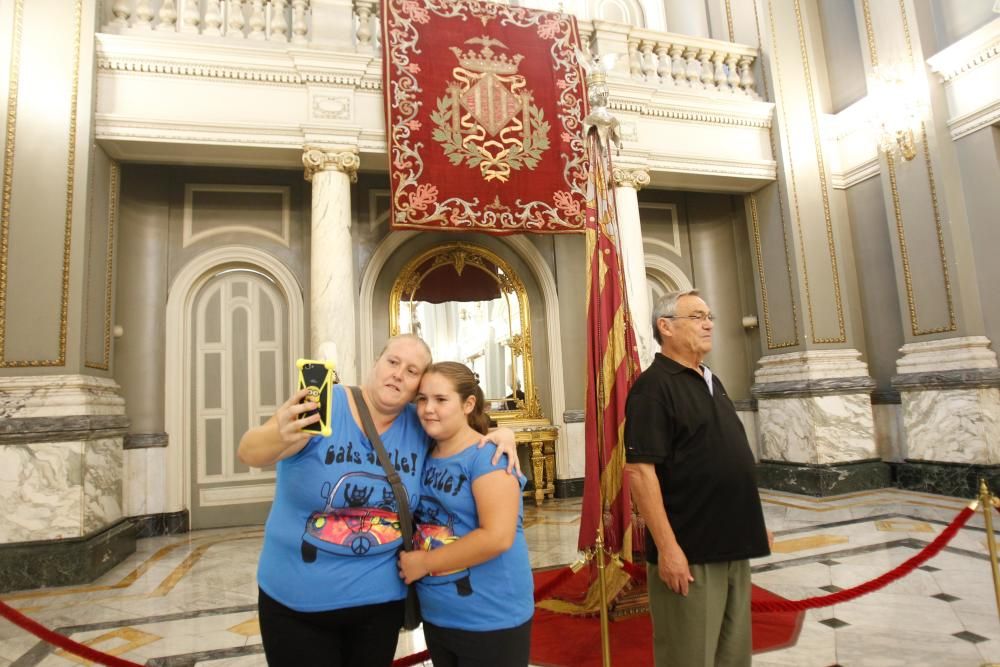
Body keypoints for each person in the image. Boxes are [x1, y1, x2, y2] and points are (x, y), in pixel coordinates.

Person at [238, 335, 519, 667]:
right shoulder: (328, 403)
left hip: (378, 605)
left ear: (418, 387)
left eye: (412, 370)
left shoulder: (418, 426)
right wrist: (278, 433)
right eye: (393, 362)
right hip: (297, 604)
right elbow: (248, 451)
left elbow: (459, 434)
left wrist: (501, 435)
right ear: (376, 363)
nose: (399, 374)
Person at [624, 290, 771, 667]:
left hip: (733, 544)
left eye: (709, 315)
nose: (708, 323)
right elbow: (641, 474)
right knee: (689, 656)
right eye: (697, 316)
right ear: (666, 326)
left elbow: (723, 458)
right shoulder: (652, 388)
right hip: (691, 553)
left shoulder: (710, 380)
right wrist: (669, 550)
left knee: (733, 656)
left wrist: (753, 524)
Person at [398, 361, 534, 667]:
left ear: (468, 404)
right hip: (439, 612)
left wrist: (424, 563)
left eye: (441, 399)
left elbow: (497, 537)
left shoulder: (489, 457)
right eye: (422, 399)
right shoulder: (425, 452)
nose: (428, 409)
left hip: (490, 614)